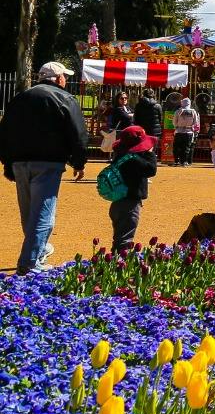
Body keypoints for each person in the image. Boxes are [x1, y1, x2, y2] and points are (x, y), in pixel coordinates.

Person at [0, 62, 89, 274]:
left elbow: (4, 133)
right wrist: (79, 162)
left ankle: (38, 251)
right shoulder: (65, 98)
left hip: (20, 162)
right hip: (49, 162)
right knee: (43, 214)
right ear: (58, 78)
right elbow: (78, 134)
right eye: (64, 76)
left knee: (29, 212)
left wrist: (8, 163)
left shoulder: (20, 98)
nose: (65, 80)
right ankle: (30, 262)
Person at [101, 124, 159, 252]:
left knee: (120, 236)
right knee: (124, 242)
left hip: (118, 202)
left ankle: (116, 262)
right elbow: (151, 169)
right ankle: (118, 266)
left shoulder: (120, 156)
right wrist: (150, 154)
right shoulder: (134, 160)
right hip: (129, 204)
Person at [133, 88, 164, 166]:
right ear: (153, 95)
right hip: (155, 130)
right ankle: (151, 164)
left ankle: (142, 163)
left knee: (142, 147)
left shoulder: (139, 105)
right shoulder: (158, 105)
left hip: (142, 130)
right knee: (152, 148)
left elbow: (135, 118)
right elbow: (160, 118)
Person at [171, 98, 200, 167]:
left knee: (177, 147)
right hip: (189, 132)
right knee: (186, 147)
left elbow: (174, 122)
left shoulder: (178, 111)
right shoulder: (193, 111)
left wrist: (178, 126)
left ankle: (176, 161)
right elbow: (195, 122)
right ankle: (184, 161)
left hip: (179, 131)